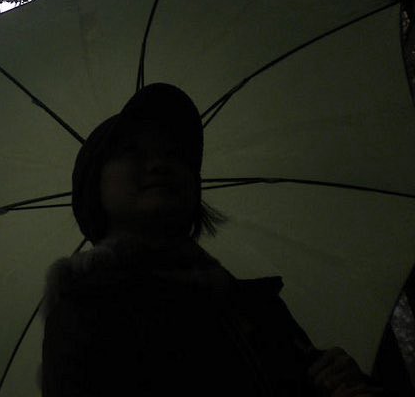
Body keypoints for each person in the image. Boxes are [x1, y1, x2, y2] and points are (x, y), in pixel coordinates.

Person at [41, 83, 384, 397]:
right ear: (94, 186)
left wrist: (344, 384)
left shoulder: (256, 306)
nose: (160, 163)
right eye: (132, 151)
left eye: (175, 154)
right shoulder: (86, 310)